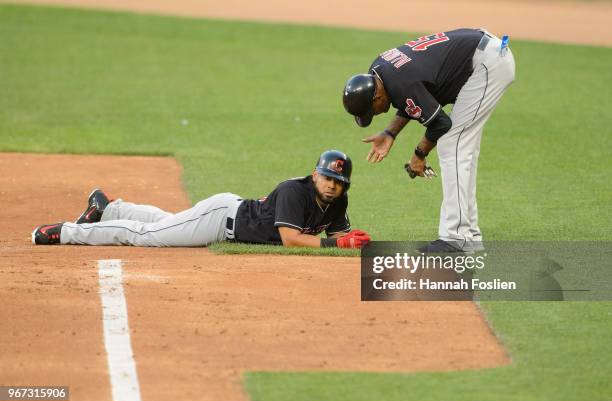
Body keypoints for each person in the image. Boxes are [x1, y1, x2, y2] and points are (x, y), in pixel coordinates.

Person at [342, 28, 515, 252]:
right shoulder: (379, 70)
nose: (376, 115)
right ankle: (468, 235)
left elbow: (441, 123)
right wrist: (390, 133)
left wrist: (419, 154)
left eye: (371, 111)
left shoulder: (399, 82)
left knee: (452, 143)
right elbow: (409, 97)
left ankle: (455, 238)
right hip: (484, 53)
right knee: (462, 148)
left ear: (376, 96)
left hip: (487, 63)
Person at [32, 150, 371, 249]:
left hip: (224, 215)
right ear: (315, 175)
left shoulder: (338, 201)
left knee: (167, 221)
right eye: (327, 178)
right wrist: (336, 247)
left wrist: (353, 242)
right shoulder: (294, 191)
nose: (331, 186)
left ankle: (108, 209)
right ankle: (64, 232)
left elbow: (340, 235)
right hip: (219, 219)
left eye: (338, 182)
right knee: (148, 236)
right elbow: (292, 239)